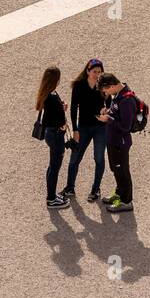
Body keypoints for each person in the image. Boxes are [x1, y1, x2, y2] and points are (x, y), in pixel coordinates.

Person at [61, 59, 108, 202]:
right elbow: (74, 108)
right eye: (94, 72)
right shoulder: (79, 86)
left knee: (99, 158)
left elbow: (111, 104)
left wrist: (107, 113)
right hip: (84, 127)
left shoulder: (104, 85)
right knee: (75, 158)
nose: (97, 74)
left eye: (100, 72)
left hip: (100, 127)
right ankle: (70, 188)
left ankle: (95, 189)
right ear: (87, 71)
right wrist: (75, 129)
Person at [97, 73, 136, 213]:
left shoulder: (126, 100)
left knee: (123, 171)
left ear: (112, 86)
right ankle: (119, 193)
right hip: (113, 141)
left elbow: (125, 126)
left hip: (120, 143)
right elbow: (116, 113)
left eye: (105, 90)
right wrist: (108, 111)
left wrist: (108, 119)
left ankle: (126, 201)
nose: (105, 93)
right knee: (117, 169)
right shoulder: (118, 95)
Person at [36, 67, 70, 210]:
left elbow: (50, 115)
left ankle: (52, 195)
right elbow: (53, 119)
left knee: (52, 166)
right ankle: (51, 199)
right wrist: (62, 125)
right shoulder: (51, 96)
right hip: (56, 135)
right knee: (55, 167)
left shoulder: (48, 94)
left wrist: (62, 108)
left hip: (53, 134)